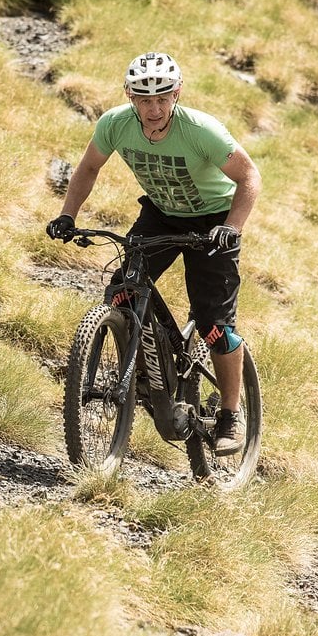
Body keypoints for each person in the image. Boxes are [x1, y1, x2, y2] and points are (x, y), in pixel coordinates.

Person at [46, 51, 262, 456]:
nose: (154, 108)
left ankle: (231, 414)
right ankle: (144, 368)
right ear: (130, 96)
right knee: (123, 290)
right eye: (144, 99)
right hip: (161, 215)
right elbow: (88, 167)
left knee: (214, 325)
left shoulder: (201, 130)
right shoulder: (114, 124)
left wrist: (230, 229)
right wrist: (67, 215)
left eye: (163, 98)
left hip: (212, 222)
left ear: (176, 94)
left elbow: (249, 176)